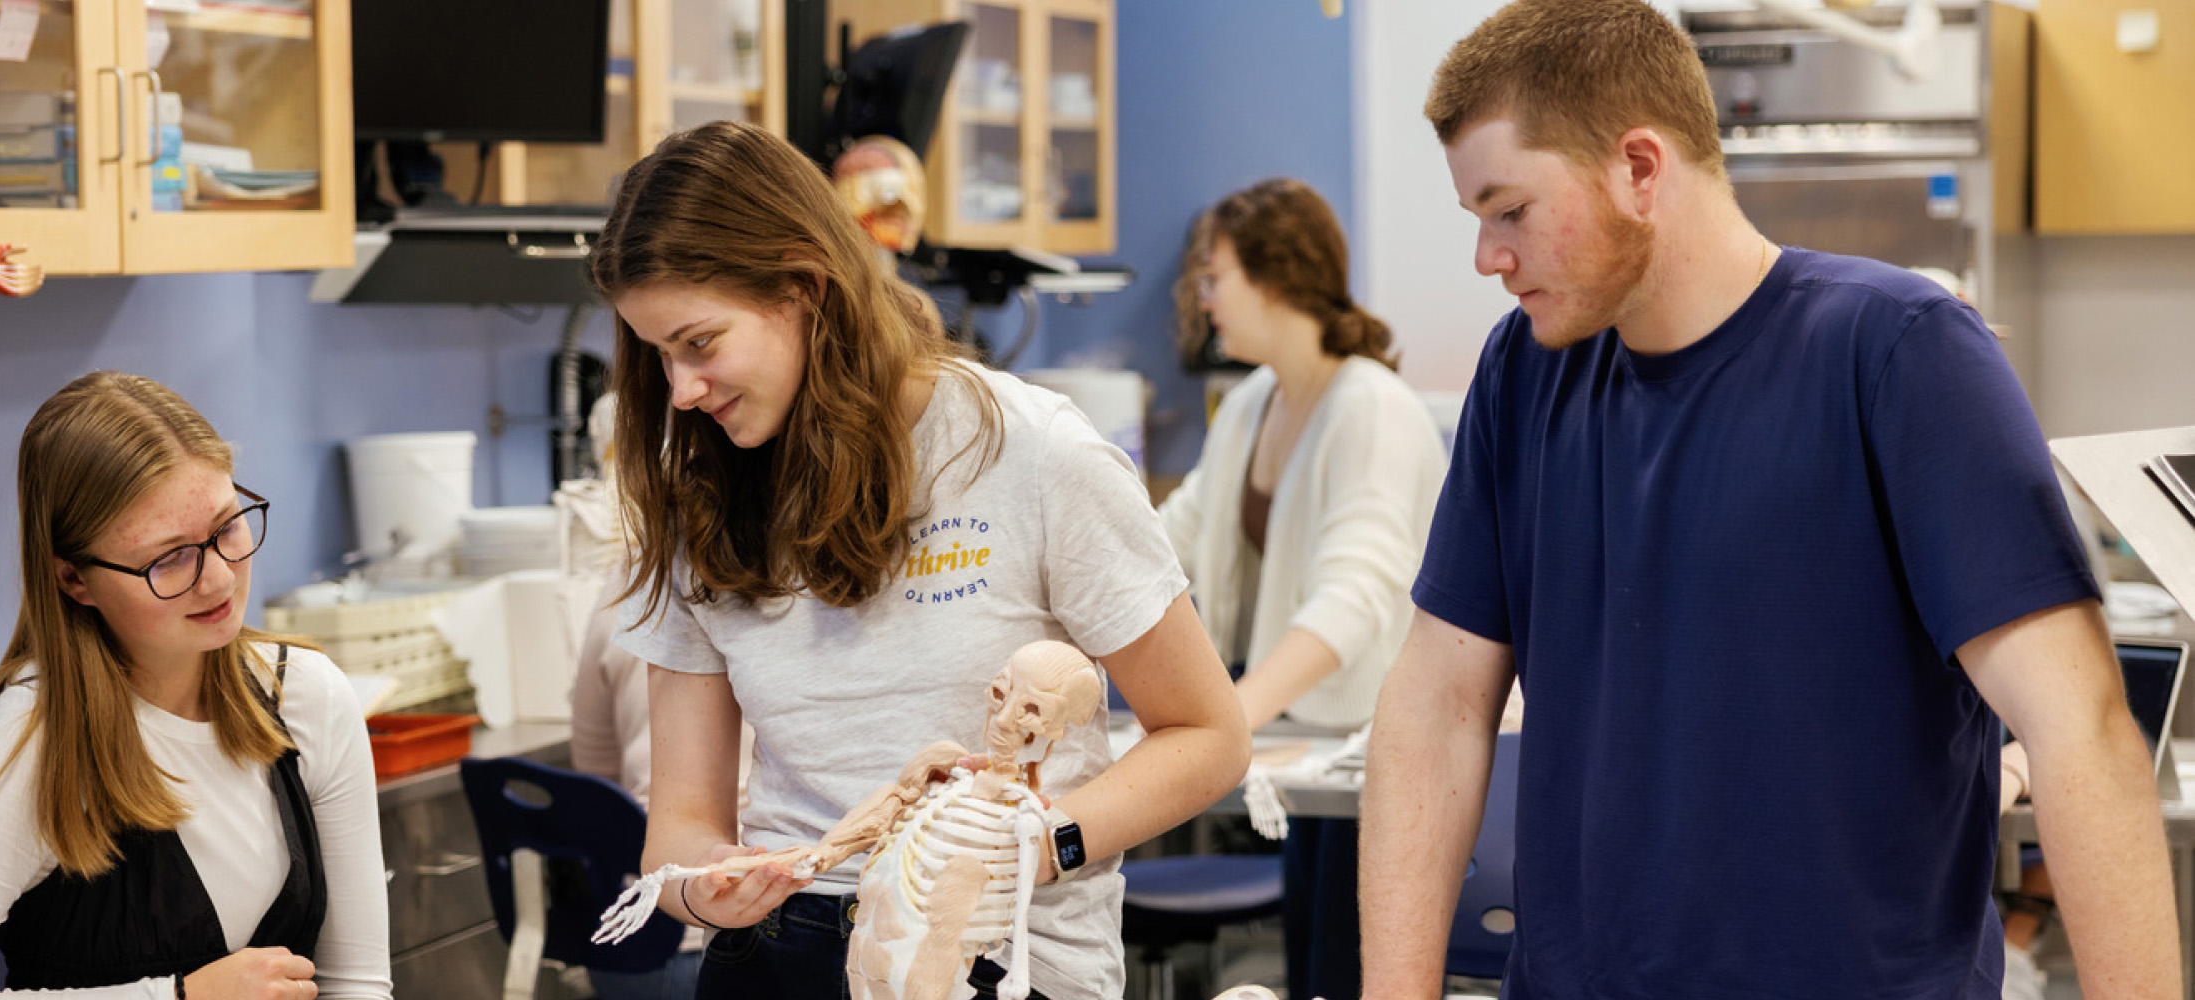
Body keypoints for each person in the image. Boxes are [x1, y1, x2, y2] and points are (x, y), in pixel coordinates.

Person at [1356, 2, 2181, 998]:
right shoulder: (1525, 375)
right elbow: (1435, 704)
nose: (1488, 256)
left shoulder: (1898, 354)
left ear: (1640, 168)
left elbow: (2078, 729)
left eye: (1510, 210)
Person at [590, 119, 1251, 1000]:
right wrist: (709, 888)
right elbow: (679, 822)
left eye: (700, 343)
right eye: (657, 353)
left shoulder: (1032, 453)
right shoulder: (700, 493)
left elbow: (1208, 737)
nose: (680, 389)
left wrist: (1035, 847)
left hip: (1000, 954)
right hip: (780, 953)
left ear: (803, 287)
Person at [0, 372, 392, 1000]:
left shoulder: (304, 695)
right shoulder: (34, 742)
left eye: (228, 527)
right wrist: (176, 998)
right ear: (74, 580)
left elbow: (359, 986)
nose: (217, 579)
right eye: (167, 559)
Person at [1157, 178, 1447, 1000]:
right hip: (1304, 750)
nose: (1204, 300)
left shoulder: (1373, 409)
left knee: (1351, 973)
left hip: (1372, 755)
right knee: (1317, 967)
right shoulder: (1253, 404)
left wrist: (1226, 717)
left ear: (1276, 277)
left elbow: (1355, 594)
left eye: (1216, 278)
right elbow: (1165, 542)